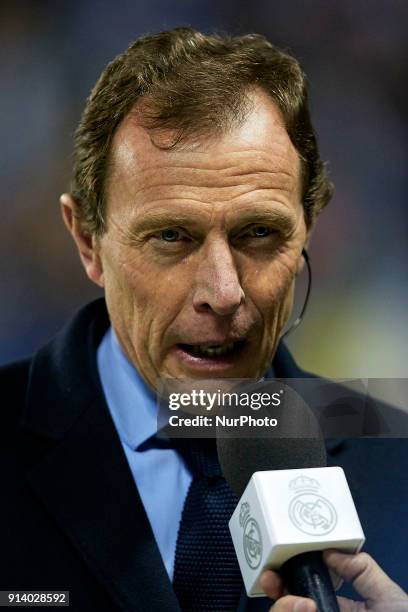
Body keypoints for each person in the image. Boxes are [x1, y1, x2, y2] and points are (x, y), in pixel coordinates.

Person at [0, 27, 407, 611]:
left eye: (259, 233)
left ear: (308, 228)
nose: (224, 292)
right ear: (88, 240)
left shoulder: (400, 462)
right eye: (171, 236)